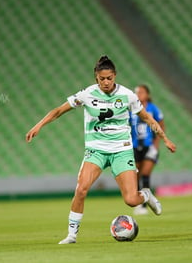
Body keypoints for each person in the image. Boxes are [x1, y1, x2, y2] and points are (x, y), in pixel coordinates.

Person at [25, 56, 176, 244]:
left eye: (109, 78)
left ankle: (145, 194)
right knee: (81, 190)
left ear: (115, 76)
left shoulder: (128, 95)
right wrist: (38, 125)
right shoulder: (87, 94)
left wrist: (165, 139)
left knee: (130, 200)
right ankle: (72, 235)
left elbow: (147, 118)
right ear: (96, 77)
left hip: (121, 150)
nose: (106, 82)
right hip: (95, 151)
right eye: (102, 78)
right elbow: (58, 111)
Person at [130, 84, 165, 215]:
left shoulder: (153, 109)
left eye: (141, 92)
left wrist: (157, 143)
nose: (139, 94)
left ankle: (144, 205)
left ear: (147, 94)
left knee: (145, 173)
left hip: (149, 146)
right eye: (137, 92)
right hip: (134, 146)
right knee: (136, 175)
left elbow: (161, 125)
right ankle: (140, 202)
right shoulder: (131, 109)